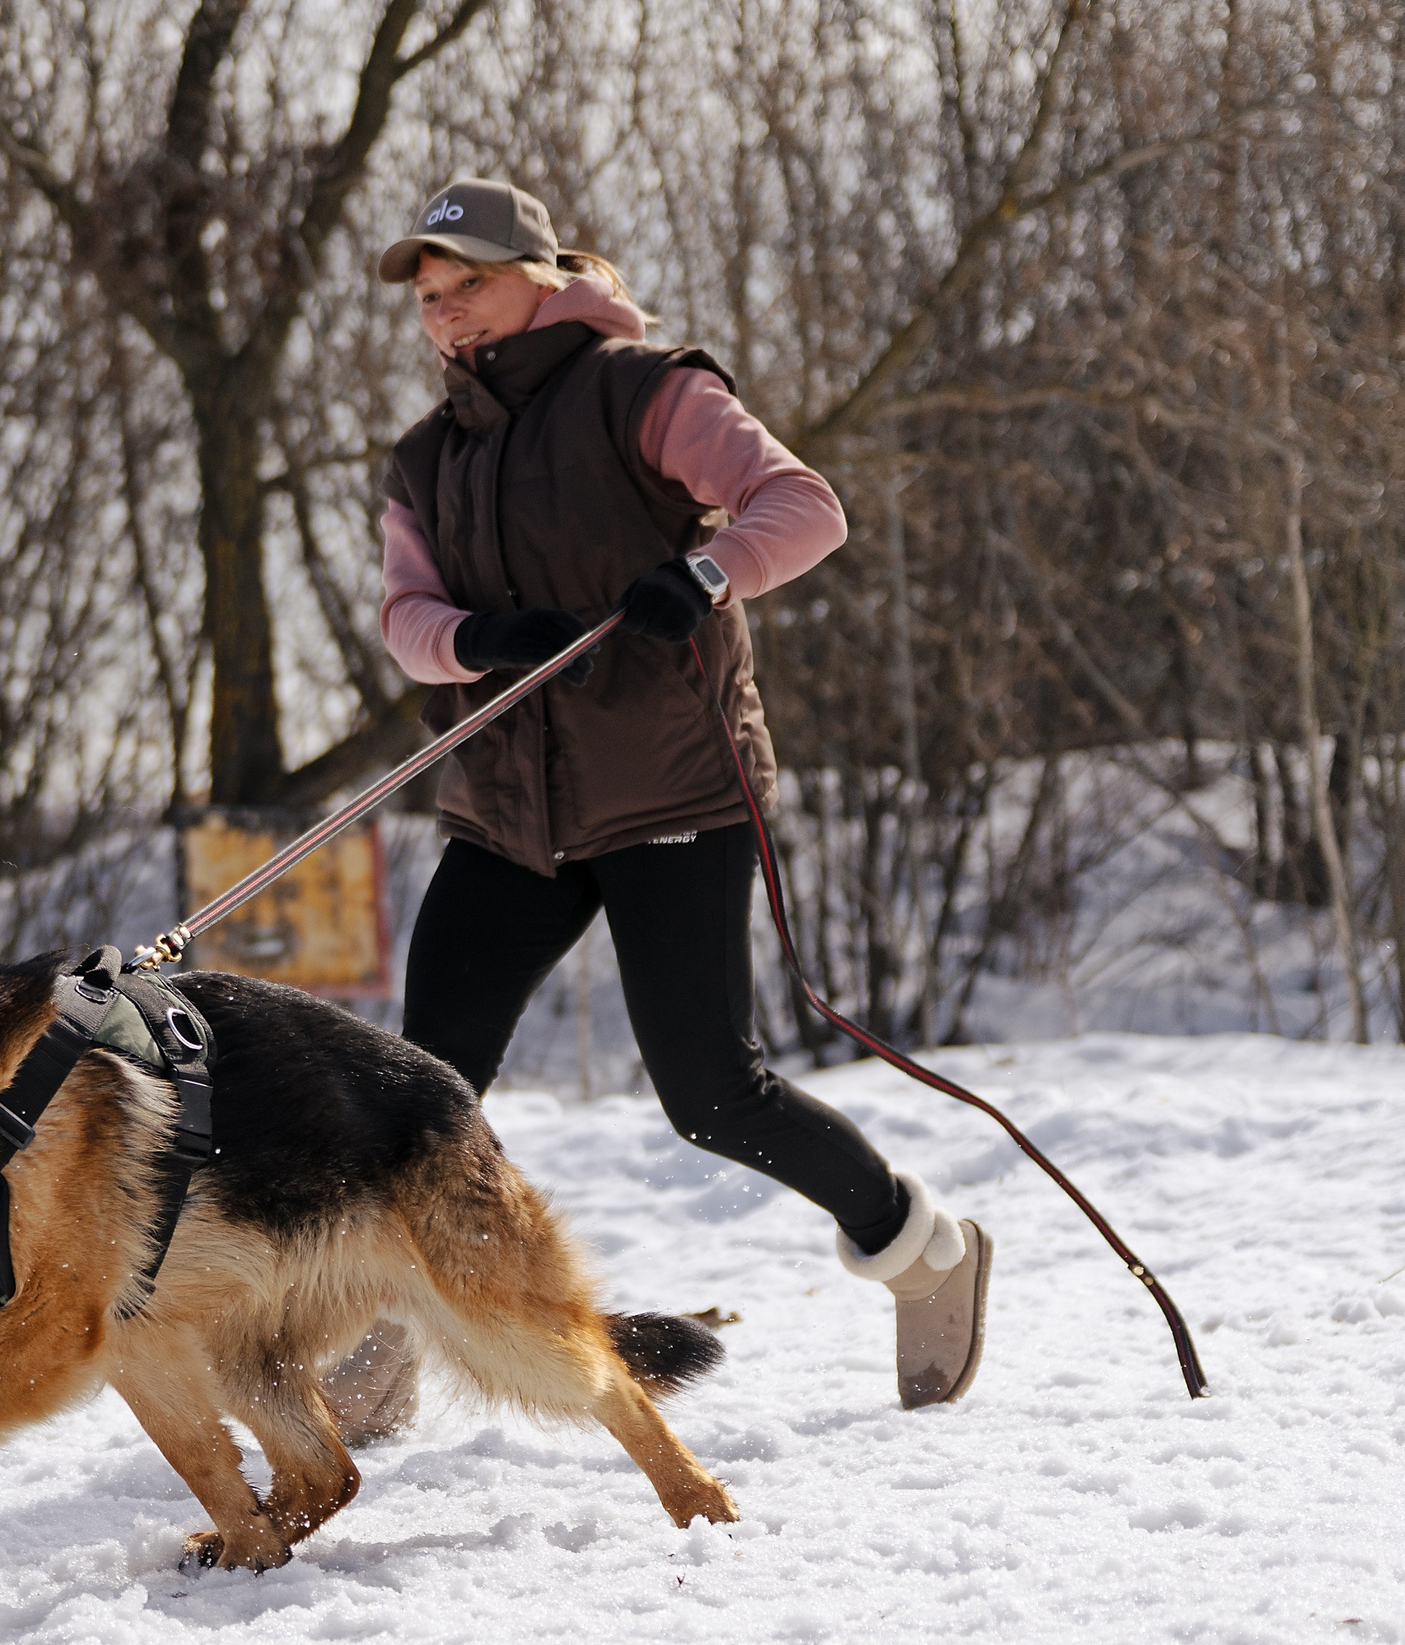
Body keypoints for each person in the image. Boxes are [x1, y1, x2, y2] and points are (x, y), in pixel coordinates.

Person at [318, 179, 991, 1442]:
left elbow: (802, 508)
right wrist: (477, 637)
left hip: (669, 788)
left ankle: (920, 1247)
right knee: (416, 1091)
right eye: (426, 297)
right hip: (512, 809)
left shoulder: (643, 390)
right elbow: (406, 626)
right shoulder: (427, 458)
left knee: (710, 1092)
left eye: (467, 283)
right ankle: (397, 1327)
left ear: (537, 275)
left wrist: (704, 570)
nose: (447, 314)